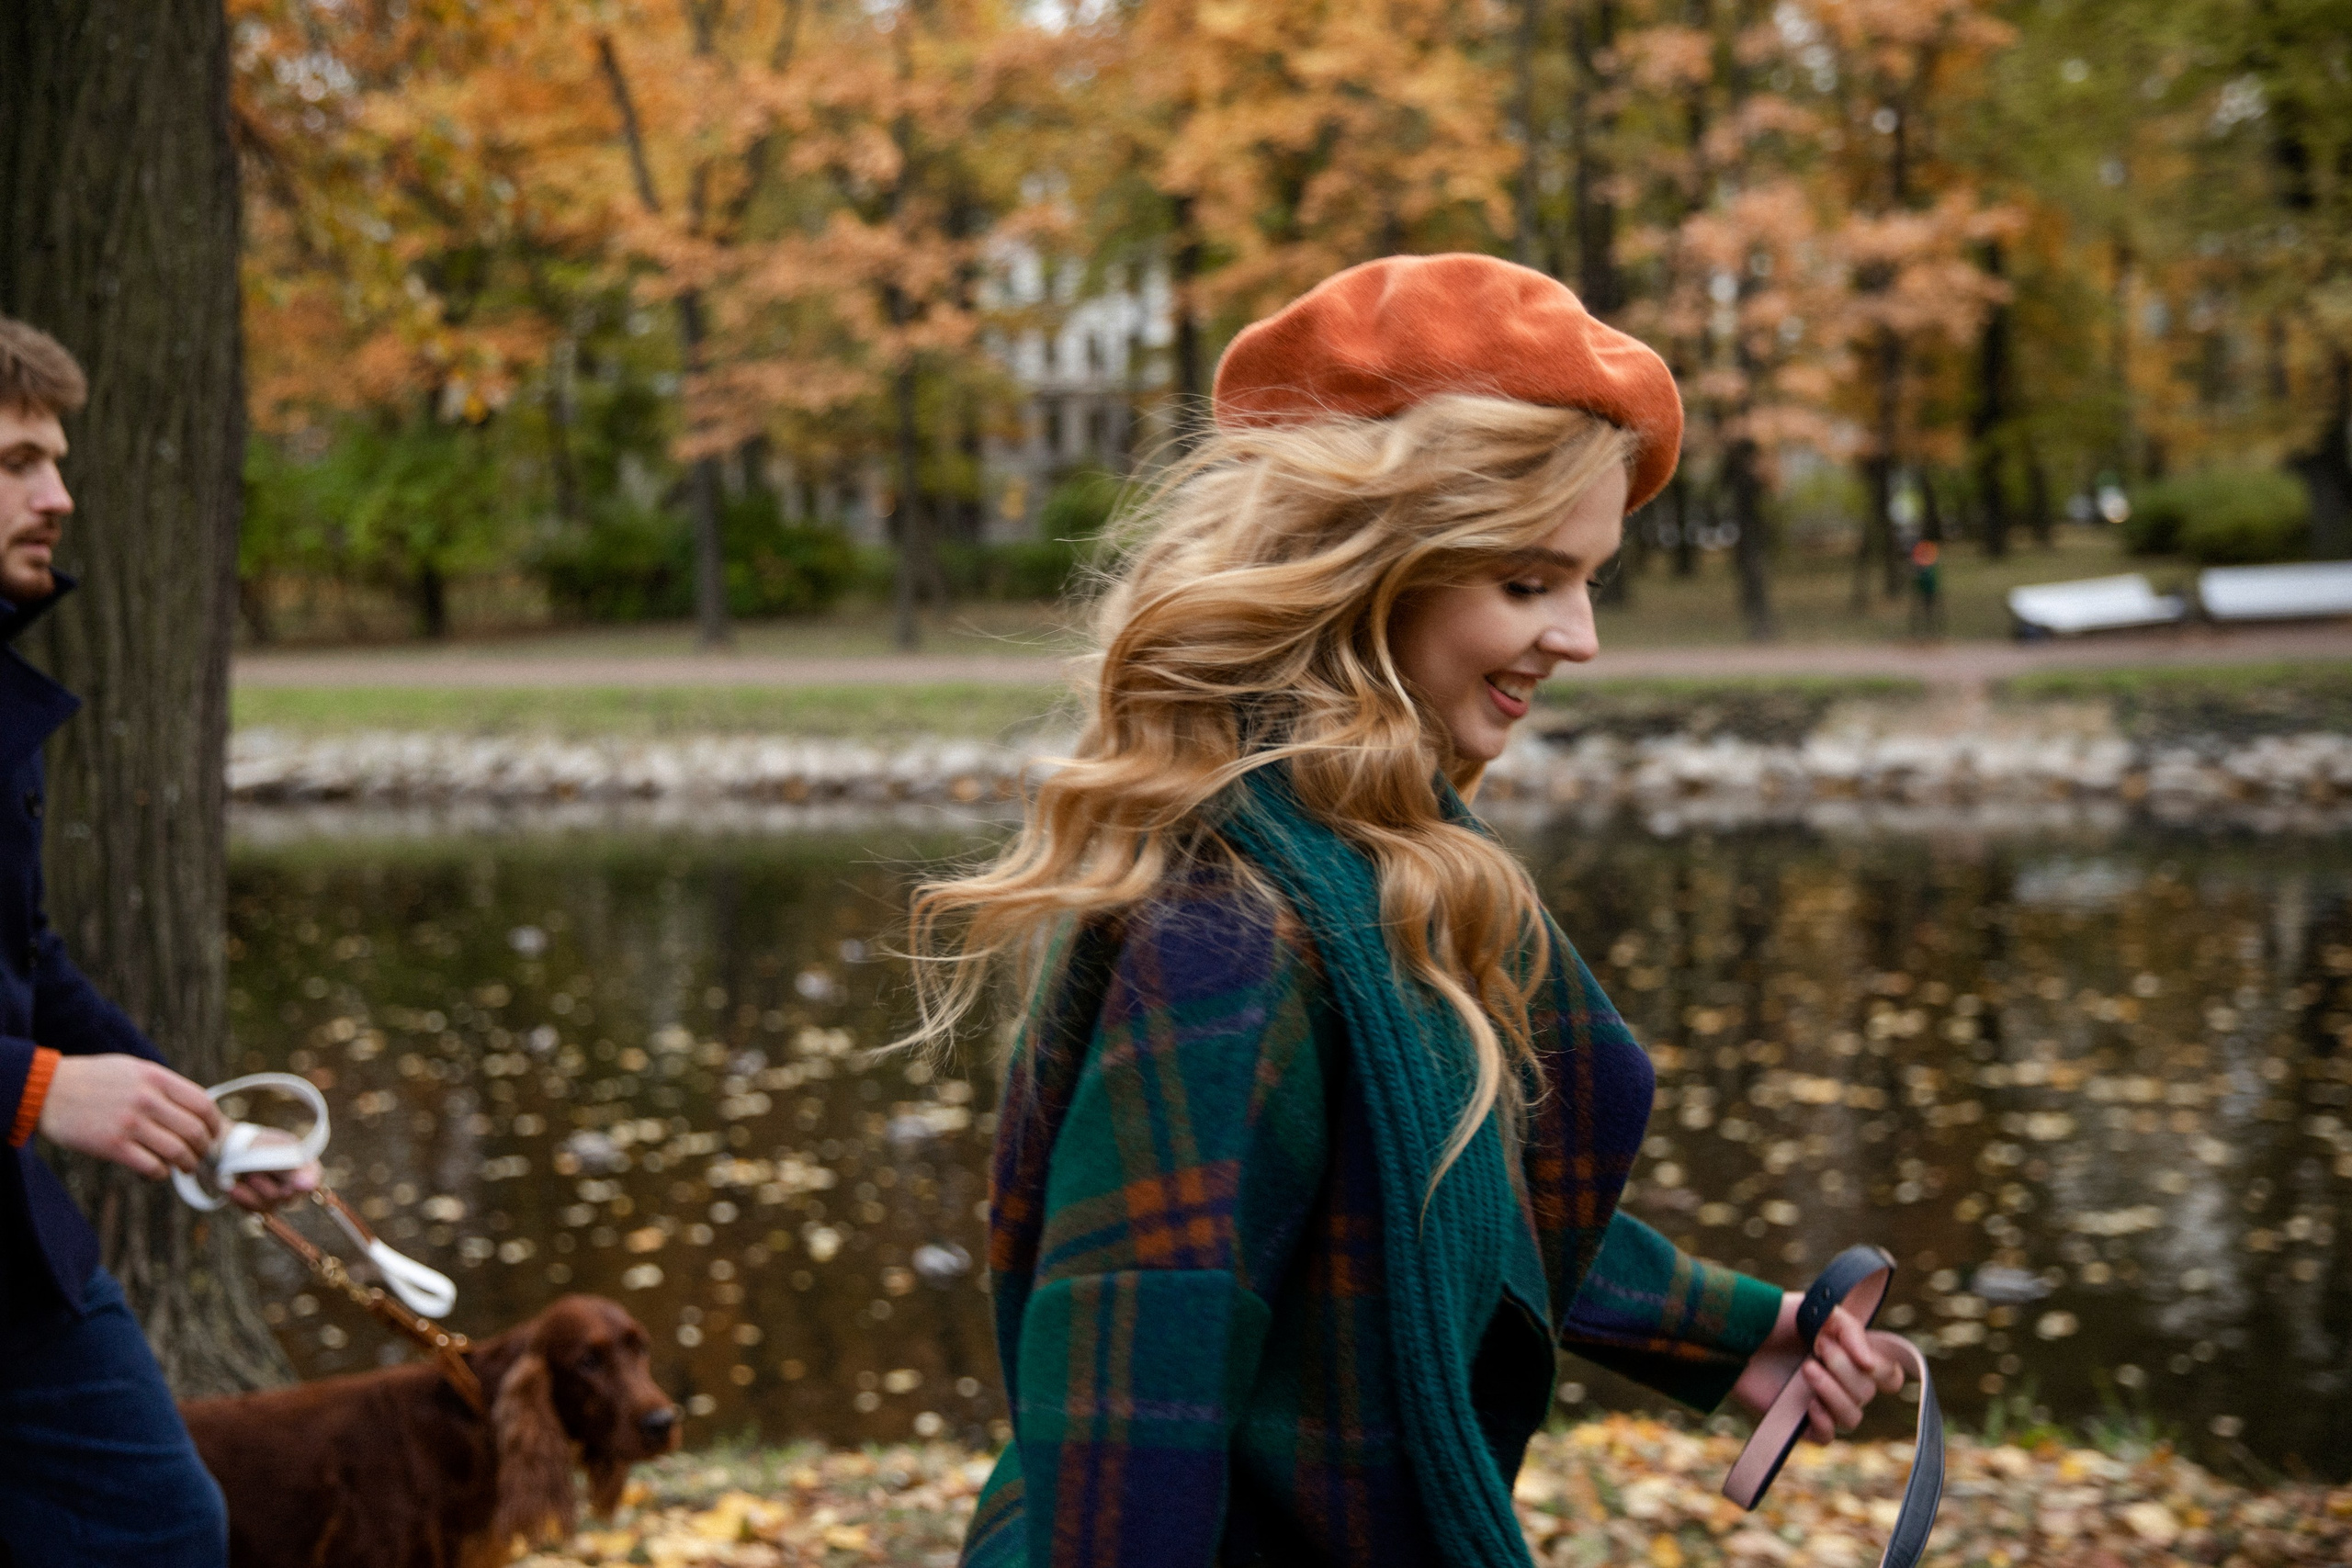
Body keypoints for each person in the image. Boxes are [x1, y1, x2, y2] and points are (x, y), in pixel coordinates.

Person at [911, 255, 1905, 1568]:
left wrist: (1736, 1333)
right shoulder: (1229, 926)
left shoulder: (1382, 858)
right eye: (1529, 582)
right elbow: (1131, 1385)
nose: (1582, 638)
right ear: (1368, 566)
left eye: (1590, 579)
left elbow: (1431, 1200)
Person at [0, 315, 320, 1565]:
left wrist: (201, 1126)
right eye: (21, 460)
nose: (59, 495)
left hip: (21, 1268)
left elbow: (28, 955)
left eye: (57, 459)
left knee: (160, 1525)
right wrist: (36, 1087)